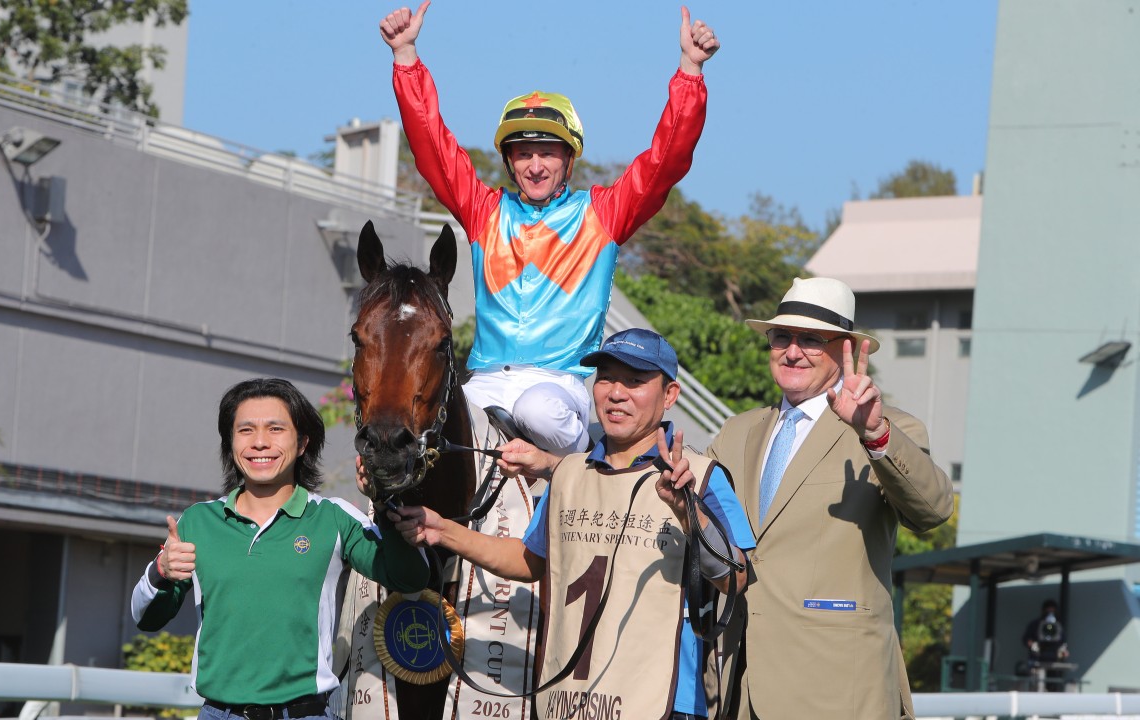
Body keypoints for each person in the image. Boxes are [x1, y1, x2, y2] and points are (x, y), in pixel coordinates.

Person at [380, 2, 721, 456]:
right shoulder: (485, 210)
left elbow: (665, 161)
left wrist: (690, 71)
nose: (535, 165)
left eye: (548, 152)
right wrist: (406, 58)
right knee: (417, 431)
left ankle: (586, 459)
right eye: (523, 153)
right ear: (508, 161)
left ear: (569, 159)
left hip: (559, 385)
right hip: (484, 381)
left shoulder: (604, 213)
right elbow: (433, 147)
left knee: (538, 410)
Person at [383, 329, 754, 720]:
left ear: (670, 394)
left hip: (664, 699)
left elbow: (736, 578)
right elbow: (530, 561)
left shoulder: (700, 475)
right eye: (607, 377)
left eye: (635, 380)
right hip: (571, 700)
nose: (616, 393)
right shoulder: (569, 473)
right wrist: (443, 531)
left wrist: (687, 511)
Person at [706, 277, 954, 720]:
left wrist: (875, 435)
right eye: (781, 336)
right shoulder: (736, 432)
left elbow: (933, 510)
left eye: (811, 340)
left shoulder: (887, 428)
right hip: (740, 686)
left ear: (844, 349)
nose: (792, 351)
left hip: (840, 690)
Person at [131, 378, 428, 720]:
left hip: (306, 714)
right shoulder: (196, 521)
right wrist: (161, 571)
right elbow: (146, 617)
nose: (260, 443)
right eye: (245, 431)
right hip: (218, 714)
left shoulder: (333, 517)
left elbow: (410, 578)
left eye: (275, 429)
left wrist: (383, 499)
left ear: (302, 443)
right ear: (230, 443)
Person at [1022, 599, 1070, 691]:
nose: (1050, 614)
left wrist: (1063, 651)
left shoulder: (1058, 626)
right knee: (1037, 685)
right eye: (1048, 611)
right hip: (1037, 660)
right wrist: (1032, 645)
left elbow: (1063, 642)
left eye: (1053, 611)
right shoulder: (1035, 624)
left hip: (1054, 662)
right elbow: (1026, 639)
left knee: (1053, 686)